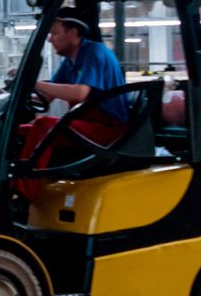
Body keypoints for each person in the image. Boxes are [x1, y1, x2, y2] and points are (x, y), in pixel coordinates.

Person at [15, 12, 130, 198]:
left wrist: (31, 83)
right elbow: (47, 96)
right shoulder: (69, 62)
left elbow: (80, 92)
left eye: (55, 33)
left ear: (73, 32)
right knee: (21, 130)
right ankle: (12, 183)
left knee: (44, 126)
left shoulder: (93, 52)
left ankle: (24, 194)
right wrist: (11, 95)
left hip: (108, 128)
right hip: (84, 125)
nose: (51, 40)